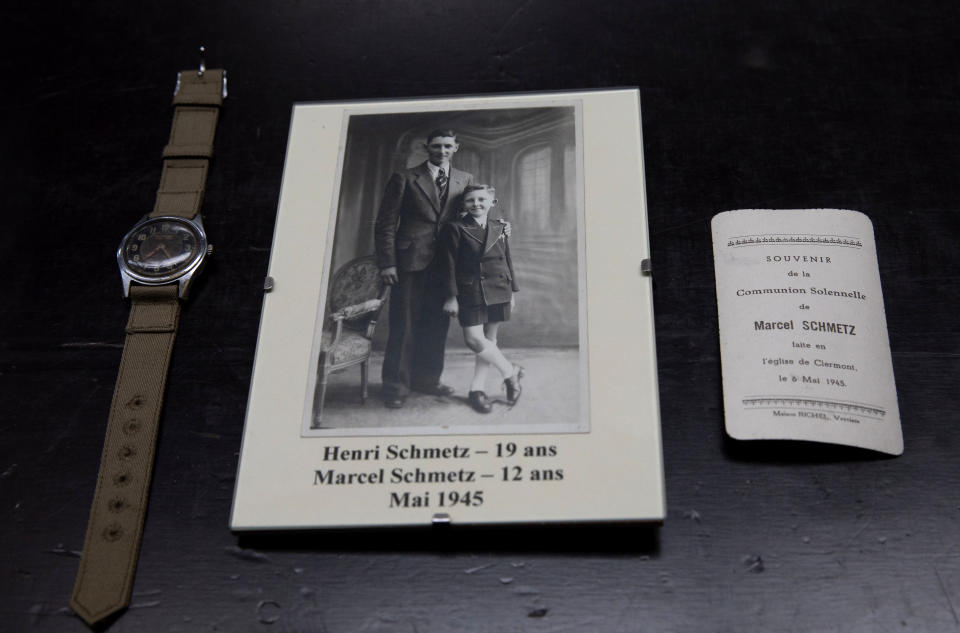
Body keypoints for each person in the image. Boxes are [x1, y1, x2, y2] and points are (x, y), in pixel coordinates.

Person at [374, 129, 473, 408]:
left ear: (456, 148)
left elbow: (471, 217)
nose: (442, 151)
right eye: (436, 146)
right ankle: (395, 387)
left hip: (445, 263)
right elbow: (385, 224)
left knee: (437, 324)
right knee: (404, 325)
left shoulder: (465, 179)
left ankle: (427, 379)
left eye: (447, 146)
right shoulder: (404, 177)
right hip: (408, 262)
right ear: (427, 147)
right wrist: (388, 263)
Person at [440, 184, 523, 413]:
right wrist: (451, 297)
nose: (476, 204)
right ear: (463, 205)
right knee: (475, 340)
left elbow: (507, 260)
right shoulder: (455, 228)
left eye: (481, 200)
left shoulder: (500, 227)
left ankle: (476, 389)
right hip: (470, 290)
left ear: (492, 203)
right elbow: (448, 266)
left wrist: (512, 292)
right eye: (470, 201)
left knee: (489, 341)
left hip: (499, 287)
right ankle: (510, 372)